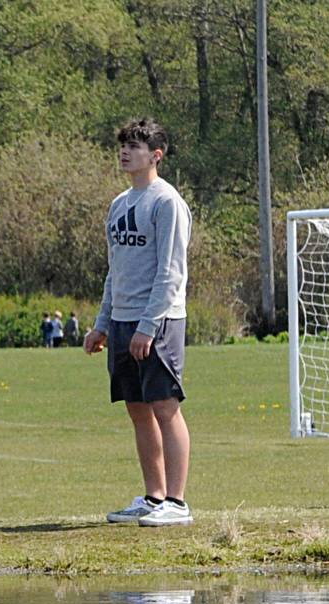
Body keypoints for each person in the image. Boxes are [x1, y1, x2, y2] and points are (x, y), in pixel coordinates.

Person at [82, 118, 193, 527]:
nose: (125, 152)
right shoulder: (119, 203)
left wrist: (149, 325)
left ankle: (177, 504)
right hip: (124, 321)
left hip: (159, 322)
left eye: (135, 146)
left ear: (156, 155)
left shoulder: (167, 203)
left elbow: (171, 271)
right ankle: (153, 497)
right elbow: (116, 271)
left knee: (165, 407)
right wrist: (103, 324)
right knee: (137, 410)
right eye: (123, 145)